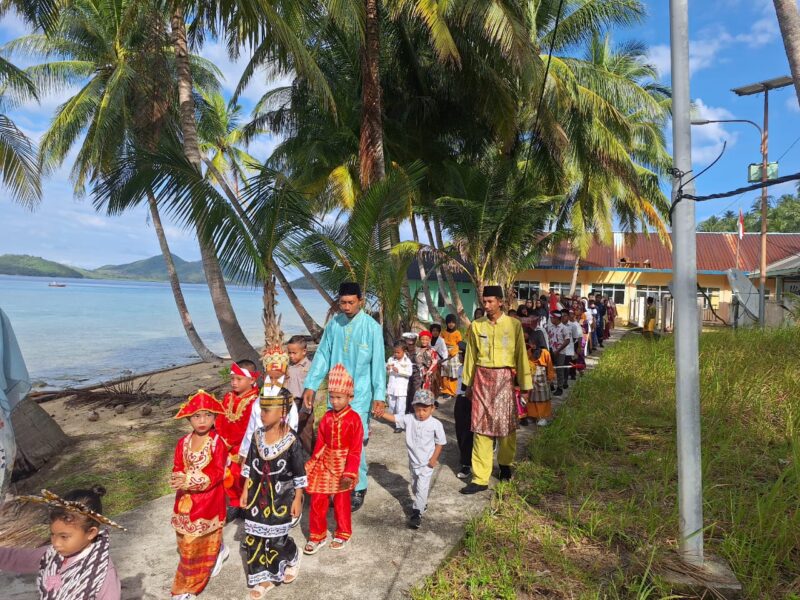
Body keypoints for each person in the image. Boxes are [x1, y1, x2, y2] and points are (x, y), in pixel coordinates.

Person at [302, 282, 385, 512]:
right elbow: (322, 356)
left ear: (360, 301)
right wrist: (311, 385)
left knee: (356, 441)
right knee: (334, 439)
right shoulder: (334, 324)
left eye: (351, 302)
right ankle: (337, 483)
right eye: (343, 303)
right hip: (336, 394)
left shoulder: (372, 327)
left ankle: (359, 486)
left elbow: (378, 363)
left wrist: (379, 395)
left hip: (360, 396)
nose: (347, 307)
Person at [460, 285, 532, 494]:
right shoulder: (476, 325)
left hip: (504, 379)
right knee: (480, 428)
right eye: (484, 301)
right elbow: (471, 357)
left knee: (506, 426)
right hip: (482, 380)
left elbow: (521, 355)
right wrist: (467, 385)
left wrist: (525, 386)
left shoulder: (514, 325)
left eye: (491, 301)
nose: (487, 305)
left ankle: (505, 465)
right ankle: (480, 478)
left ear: (501, 302)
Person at [240, 386, 306, 598]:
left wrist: (298, 498)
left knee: (277, 539)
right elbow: (250, 466)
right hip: (256, 495)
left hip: (281, 497)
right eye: (262, 409)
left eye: (267, 410)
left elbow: (299, 473)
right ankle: (263, 579)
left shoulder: (292, 440)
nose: (262, 414)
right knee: (254, 538)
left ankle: (292, 555)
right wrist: (245, 491)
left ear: (283, 412)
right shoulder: (257, 436)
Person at [3, 486, 123, 600]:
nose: (56, 543)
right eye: (52, 534)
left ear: (91, 533)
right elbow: (18, 558)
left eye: (64, 537)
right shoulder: (51, 555)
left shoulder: (102, 574)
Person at [170, 390, 229, 600]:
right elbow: (178, 465)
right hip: (185, 500)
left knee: (192, 544)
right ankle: (219, 550)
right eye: (196, 416)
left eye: (207, 415)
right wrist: (177, 477)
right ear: (189, 418)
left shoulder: (217, 442)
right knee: (184, 541)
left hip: (208, 500)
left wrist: (190, 480)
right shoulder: (183, 442)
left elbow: (218, 472)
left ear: (215, 417)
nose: (202, 421)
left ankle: (188, 587)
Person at [304, 364, 363, 554]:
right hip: (324, 463)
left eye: (339, 397)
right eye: (332, 397)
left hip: (343, 466)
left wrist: (350, 472)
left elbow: (355, 450)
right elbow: (320, 442)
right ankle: (317, 535)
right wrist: (313, 462)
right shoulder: (327, 417)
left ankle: (343, 533)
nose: (335, 401)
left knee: (341, 501)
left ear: (350, 397)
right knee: (317, 499)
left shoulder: (354, 419)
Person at [378, 389, 446, 529]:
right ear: (413, 407)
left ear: (432, 408)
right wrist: (382, 413)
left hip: (427, 464)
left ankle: (417, 514)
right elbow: (395, 418)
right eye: (418, 409)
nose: (421, 413)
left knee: (421, 488)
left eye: (425, 410)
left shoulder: (435, 424)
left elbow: (440, 443)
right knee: (415, 487)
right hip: (413, 463)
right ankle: (422, 504)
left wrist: (433, 459)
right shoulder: (410, 419)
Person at [215, 360, 260, 521]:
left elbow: (249, 426)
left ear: (252, 380)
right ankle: (234, 504)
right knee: (228, 477)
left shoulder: (256, 401)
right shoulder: (228, 397)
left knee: (243, 475)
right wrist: (220, 439)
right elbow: (220, 419)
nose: (234, 382)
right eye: (232, 378)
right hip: (225, 444)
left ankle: (247, 504)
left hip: (244, 447)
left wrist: (233, 443)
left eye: (239, 379)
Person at [240, 345, 299, 461]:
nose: (273, 382)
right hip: (258, 451)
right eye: (270, 377)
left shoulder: (289, 402)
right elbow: (251, 428)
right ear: (264, 377)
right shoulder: (258, 402)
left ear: (286, 378)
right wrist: (245, 453)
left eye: (278, 378)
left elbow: (293, 427)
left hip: (281, 451)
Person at [285, 336, 314, 455]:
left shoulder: (310, 367)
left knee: (306, 433)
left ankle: (312, 456)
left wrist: (306, 408)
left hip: (304, 403)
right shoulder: (288, 367)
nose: (291, 356)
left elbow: (312, 388)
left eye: (294, 353)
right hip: (290, 403)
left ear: (304, 351)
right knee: (290, 431)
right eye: (289, 353)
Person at [452, 341, 472, 479]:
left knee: (469, 432)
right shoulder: (460, 368)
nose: (460, 356)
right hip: (460, 399)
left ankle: (467, 463)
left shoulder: (474, 369)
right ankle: (465, 460)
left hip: (472, 400)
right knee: (460, 430)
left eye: (462, 354)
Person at [527, 332, 555, 426]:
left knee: (542, 398)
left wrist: (550, 377)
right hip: (531, 377)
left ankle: (542, 417)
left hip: (542, 377)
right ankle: (532, 415)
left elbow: (550, 366)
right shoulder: (529, 351)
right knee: (531, 397)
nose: (532, 345)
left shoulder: (545, 352)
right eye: (531, 343)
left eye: (534, 343)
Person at [386, 341, 413, 431]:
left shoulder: (407, 361)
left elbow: (409, 373)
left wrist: (399, 371)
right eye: (394, 352)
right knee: (392, 406)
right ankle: (393, 419)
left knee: (400, 407)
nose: (396, 354)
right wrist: (387, 368)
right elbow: (387, 371)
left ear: (404, 351)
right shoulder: (391, 359)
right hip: (392, 387)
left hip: (401, 389)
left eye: (398, 352)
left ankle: (399, 425)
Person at [545, 311, 569, 396]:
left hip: (560, 352)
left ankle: (560, 387)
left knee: (559, 370)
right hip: (550, 351)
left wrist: (558, 350)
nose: (551, 319)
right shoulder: (550, 327)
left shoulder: (564, 328)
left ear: (556, 318)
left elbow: (567, 340)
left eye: (552, 318)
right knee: (549, 369)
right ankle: (551, 385)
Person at [439, 314, 462, 399]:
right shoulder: (443, 333)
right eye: (449, 322)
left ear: (455, 323)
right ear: (446, 323)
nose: (451, 324)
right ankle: (446, 390)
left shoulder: (457, 333)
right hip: (445, 354)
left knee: (453, 374)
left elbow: (459, 344)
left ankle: (453, 391)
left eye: (453, 322)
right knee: (445, 373)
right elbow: (440, 343)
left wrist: (452, 352)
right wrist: (445, 352)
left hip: (454, 356)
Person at [559, 311, 576, 388]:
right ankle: (560, 381)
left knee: (566, 366)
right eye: (562, 315)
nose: (563, 317)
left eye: (565, 315)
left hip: (568, 349)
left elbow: (575, 338)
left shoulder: (572, 326)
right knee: (560, 366)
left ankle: (565, 381)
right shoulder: (558, 326)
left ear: (568, 316)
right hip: (560, 349)